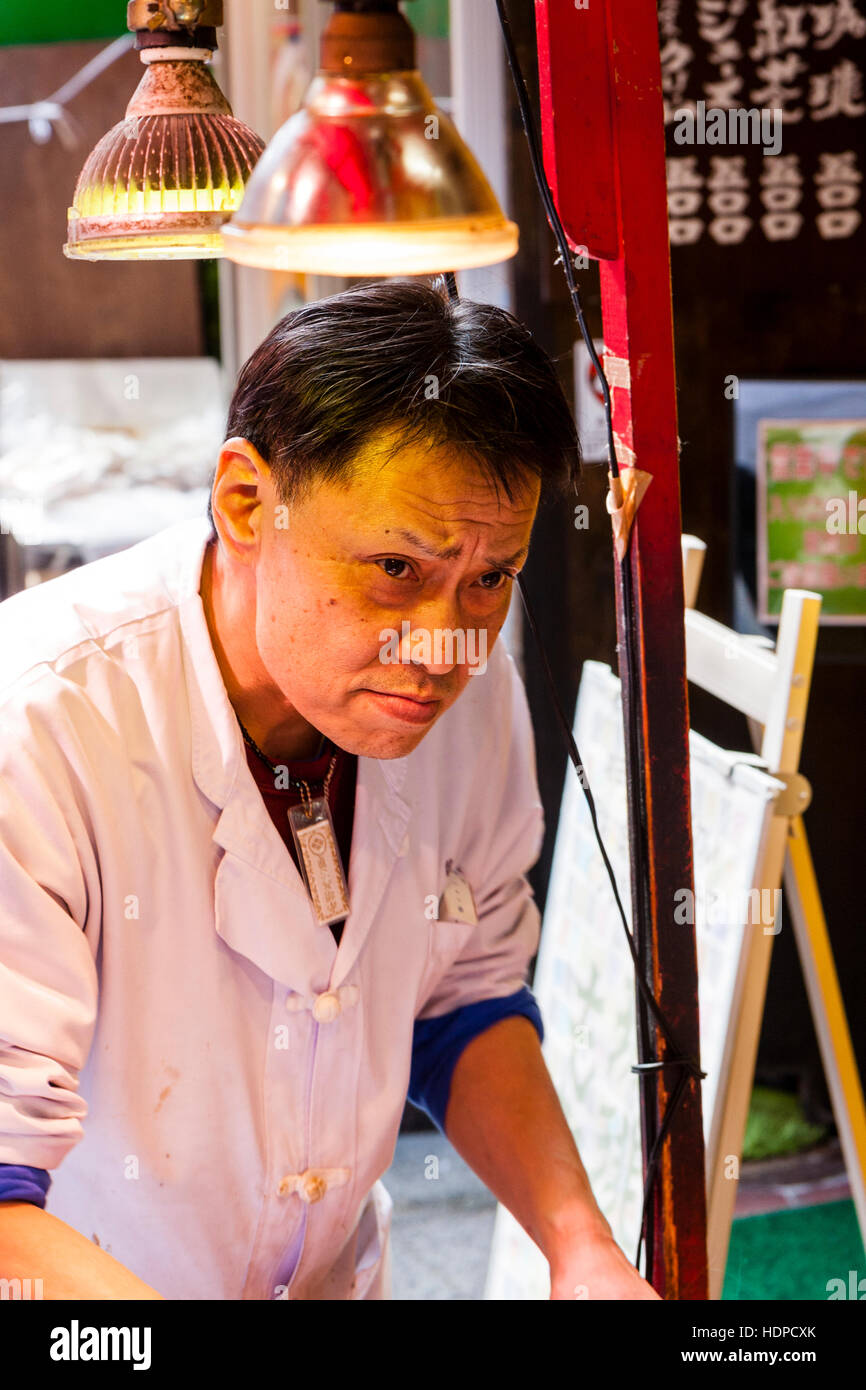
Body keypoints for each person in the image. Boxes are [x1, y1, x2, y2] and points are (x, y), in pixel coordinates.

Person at [0, 279, 658, 1300]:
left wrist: (580, 1251)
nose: (444, 642)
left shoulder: (466, 695)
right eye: (394, 565)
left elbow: (463, 994)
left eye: (490, 579)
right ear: (247, 502)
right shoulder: (38, 723)